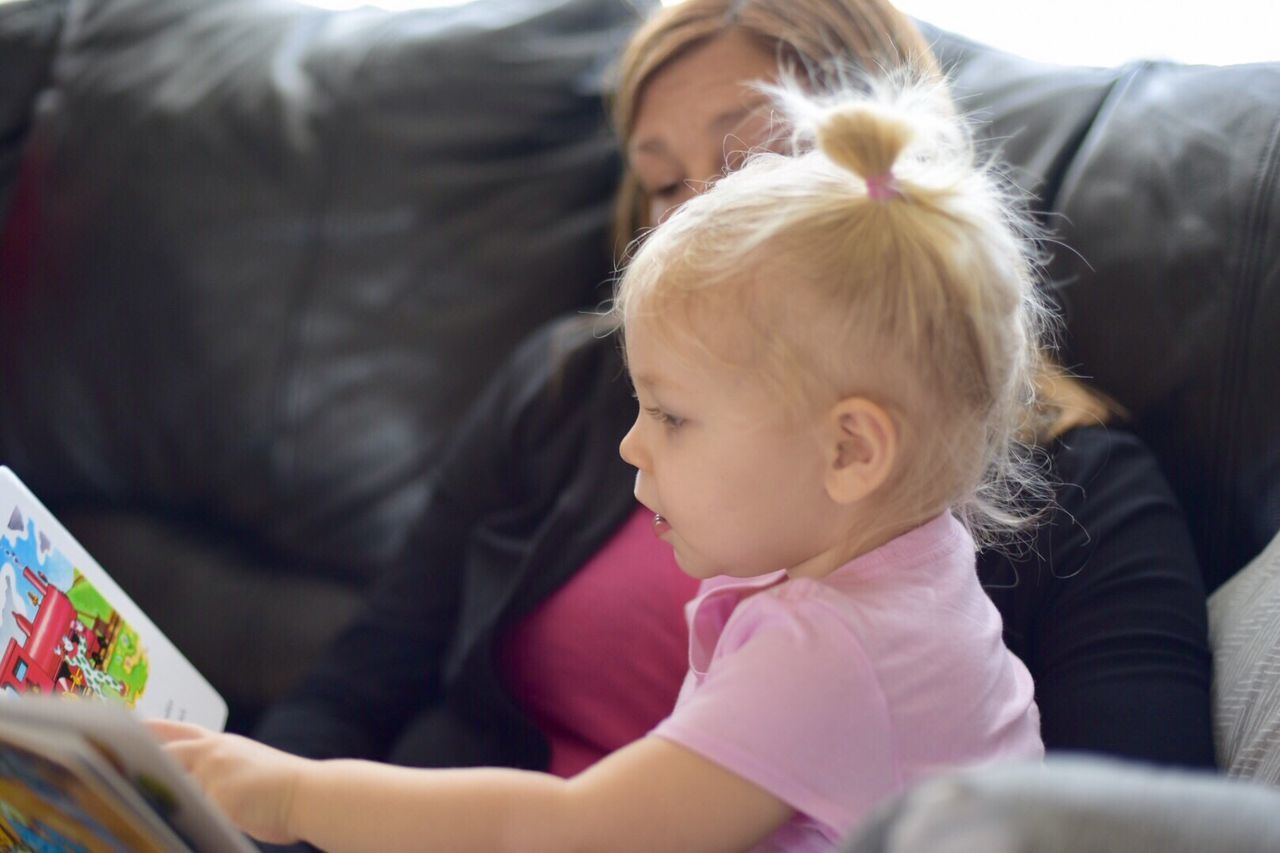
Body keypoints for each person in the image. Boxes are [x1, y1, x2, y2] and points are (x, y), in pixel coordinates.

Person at [241, 0, 1209, 809]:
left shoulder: (1048, 508)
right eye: (664, 182)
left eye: (758, 168)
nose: (700, 215)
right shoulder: (566, 385)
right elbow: (366, 672)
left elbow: (1128, 819)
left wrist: (277, 793)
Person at [153, 71, 1047, 851]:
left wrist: (288, 791)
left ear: (850, 449)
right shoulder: (911, 576)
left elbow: (563, 833)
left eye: (670, 415)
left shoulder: (832, 650)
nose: (631, 442)